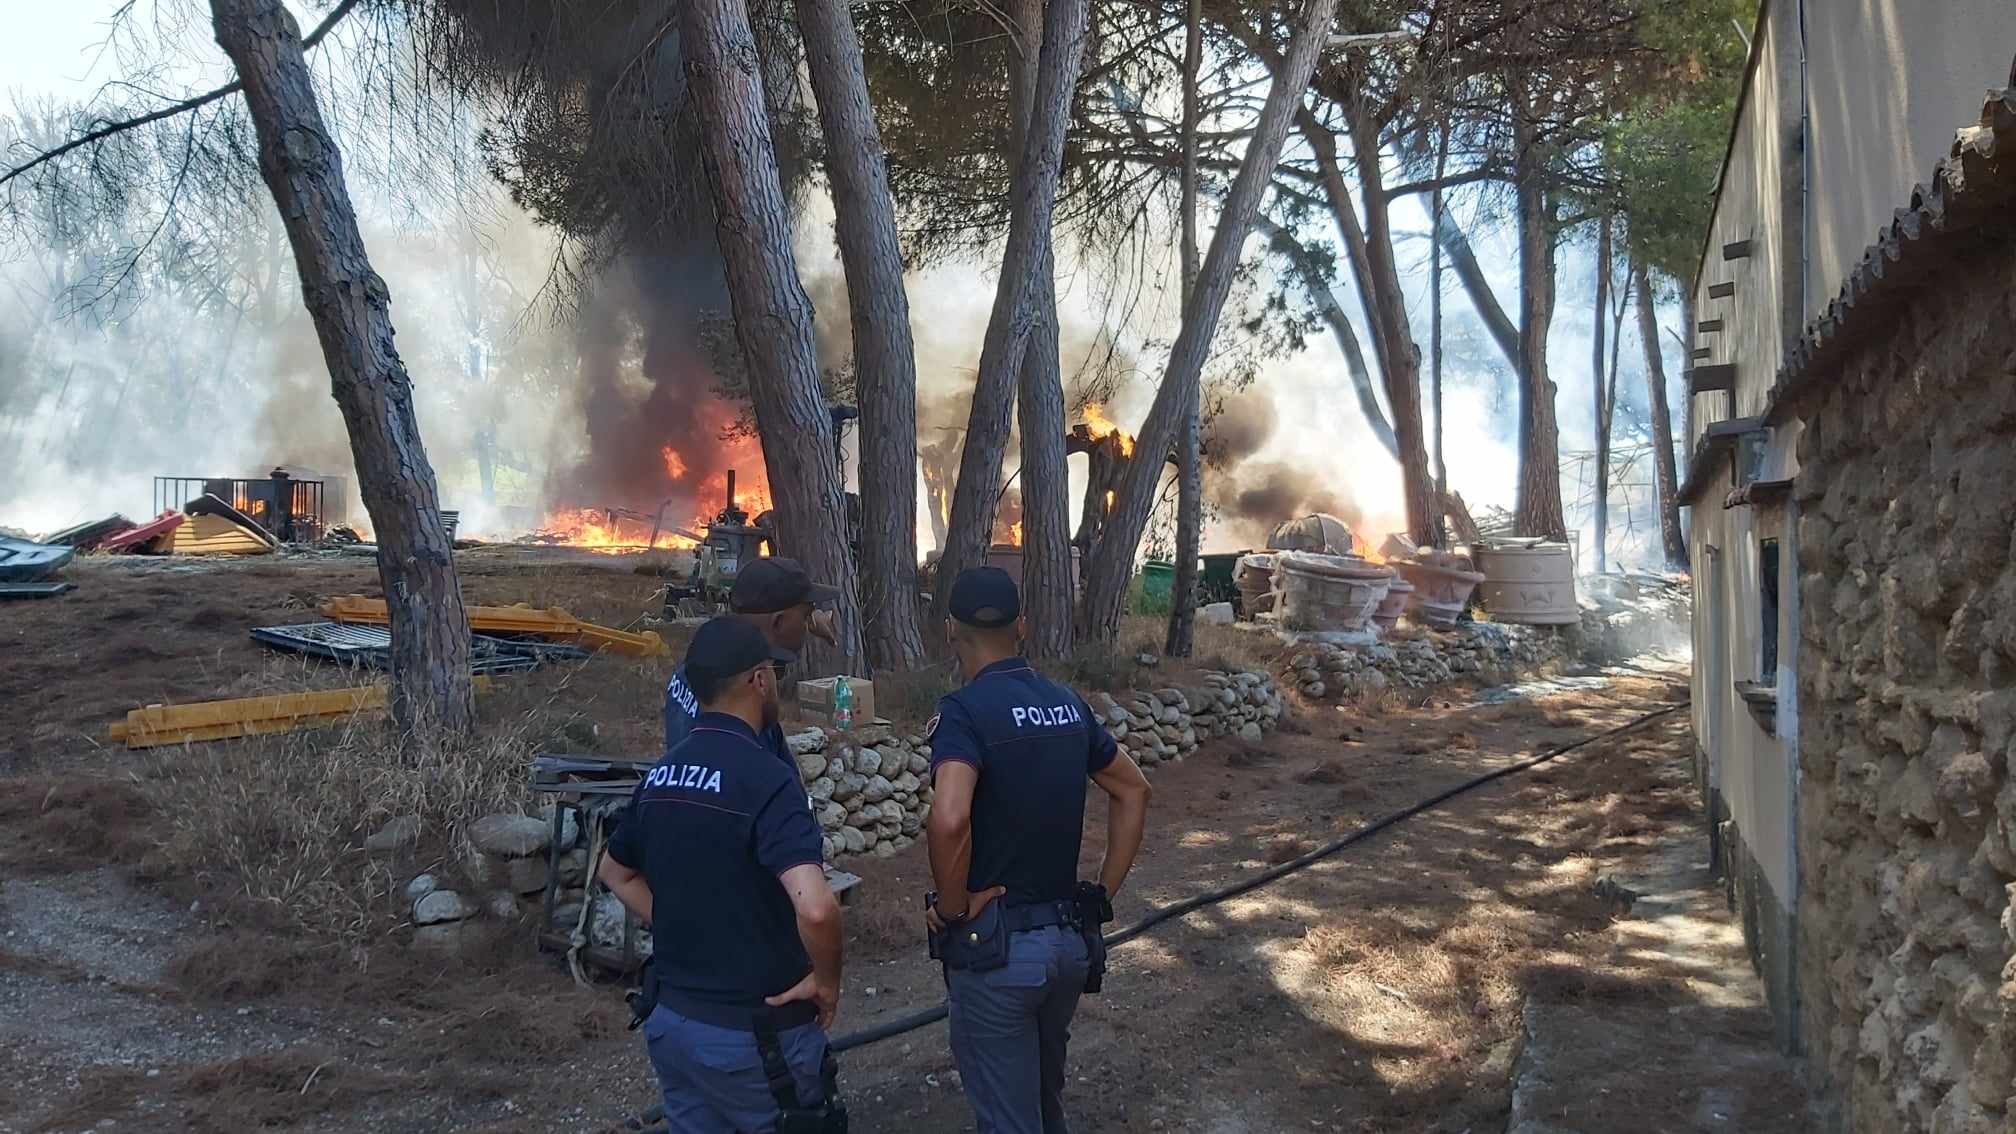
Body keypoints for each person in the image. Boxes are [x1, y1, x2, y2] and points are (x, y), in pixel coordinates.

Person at [923, 567, 1152, 1134]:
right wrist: (1100, 895)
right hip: (1068, 948)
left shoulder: (964, 713)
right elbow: (1133, 789)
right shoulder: (1066, 704)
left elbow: (949, 817)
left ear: (951, 630)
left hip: (998, 957)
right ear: (1022, 626)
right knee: (1046, 1108)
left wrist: (953, 909)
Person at [602, 616, 847, 1133]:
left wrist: (680, 927)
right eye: (774, 673)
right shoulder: (768, 779)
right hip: (756, 1039)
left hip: (674, 1025)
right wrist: (826, 981)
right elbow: (816, 909)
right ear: (759, 680)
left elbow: (615, 872)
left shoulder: (660, 775)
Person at [664, 557, 839, 765]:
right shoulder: (747, 698)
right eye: (805, 616)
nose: (807, 626)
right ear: (778, 622)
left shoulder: (702, 664)